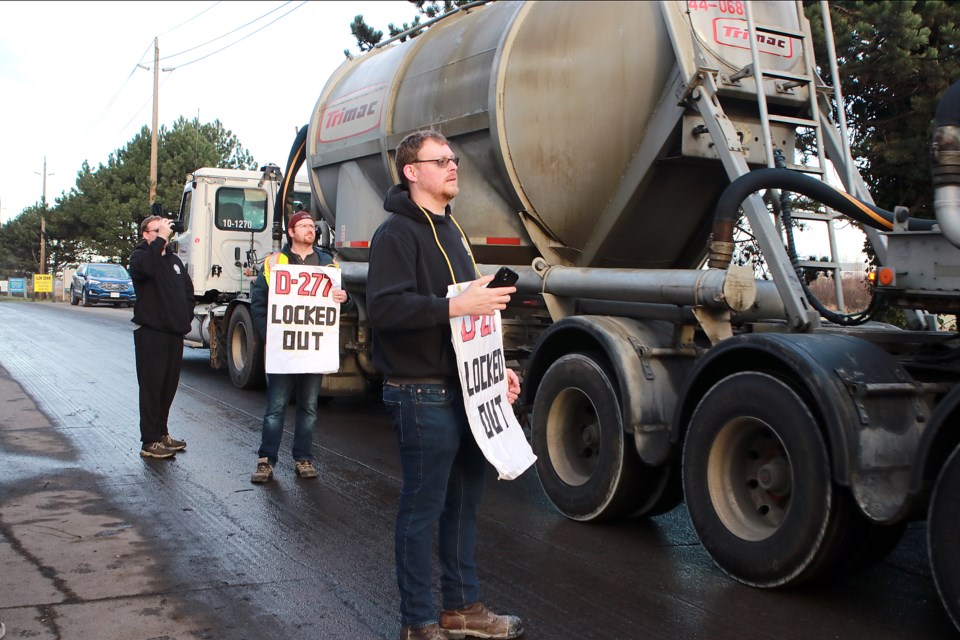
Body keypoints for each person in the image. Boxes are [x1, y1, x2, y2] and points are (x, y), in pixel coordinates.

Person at [367, 130, 524, 640]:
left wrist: (495, 369)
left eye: (454, 159)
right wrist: (458, 305)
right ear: (412, 171)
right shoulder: (396, 235)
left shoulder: (452, 230)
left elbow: (468, 315)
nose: (454, 166)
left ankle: (461, 609)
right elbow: (387, 309)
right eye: (442, 160)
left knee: (464, 507)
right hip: (420, 393)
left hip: (466, 392)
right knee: (422, 509)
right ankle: (417, 620)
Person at [249, 210, 349, 483]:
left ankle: (303, 459)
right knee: (276, 407)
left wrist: (344, 296)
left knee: (309, 407)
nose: (310, 229)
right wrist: (268, 336)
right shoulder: (275, 262)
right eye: (303, 226)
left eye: (312, 226)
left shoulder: (328, 263)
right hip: (283, 349)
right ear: (291, 232)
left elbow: (341, 299)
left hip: (312, 350)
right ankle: (266, 460)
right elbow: (258, 301)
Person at [129, 215, 196, 459]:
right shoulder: (140, 258)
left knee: (168, 387)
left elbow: (188, 293)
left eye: (164, 230)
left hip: (173, 332)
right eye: (156, 230)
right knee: (152, 387)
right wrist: (161, 240)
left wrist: (185, 317)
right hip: (151, 333)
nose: (163, 233)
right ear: (146, 234)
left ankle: (162, 433)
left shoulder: (174, 261)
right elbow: (147, 268)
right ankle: (149, 441)